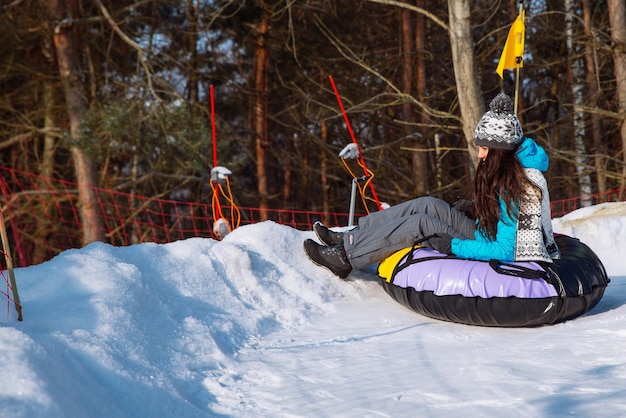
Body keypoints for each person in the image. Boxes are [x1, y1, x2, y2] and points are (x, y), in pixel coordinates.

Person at [303, 93, 560, 279]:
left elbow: (507, 249)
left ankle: (344, 258)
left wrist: (452, 246)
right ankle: (352, 236)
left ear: (500, 151)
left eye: (483, 149)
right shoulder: (513, 167)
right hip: (483, 231)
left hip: (486, 243)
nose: (481, 155)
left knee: (420, 225)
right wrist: (475, 209)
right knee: (428, 204)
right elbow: (504, 218)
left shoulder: (522, 187)